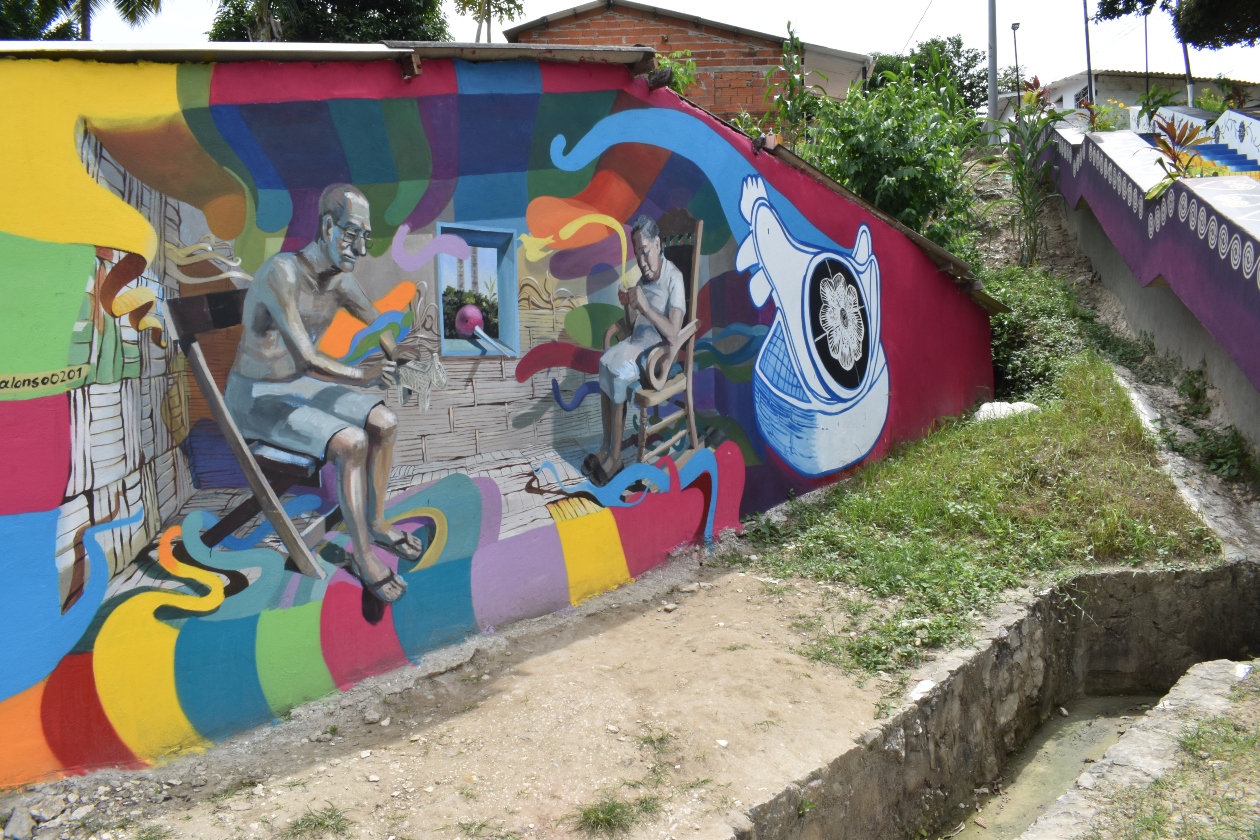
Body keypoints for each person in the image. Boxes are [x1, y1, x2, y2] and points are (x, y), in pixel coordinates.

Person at [225, 184, 421, 603]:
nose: (361, 248)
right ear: (328, 226)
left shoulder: (341, 281)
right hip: (256, 397)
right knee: (351, 442)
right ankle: (362, 555)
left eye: (367, 237)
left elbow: (377, 325)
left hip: (298, 387)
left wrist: (400, 356)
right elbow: (309, 357)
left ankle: (379, 522)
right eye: (353, 234)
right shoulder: (283, 272)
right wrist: (364, 374)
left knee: (384, 422)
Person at [584, 215, 686, 486]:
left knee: (615, 371)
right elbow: (631, 329)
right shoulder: (642, 281)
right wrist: (628, 307)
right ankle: (606, 447)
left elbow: (674, 332)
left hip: (657, 355)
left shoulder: (674, 279)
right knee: (605, 362)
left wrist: (647, 307)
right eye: (637, 254)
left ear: (658, 244)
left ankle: (616, 459)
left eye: (645, 252)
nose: (641, 261)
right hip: (636, 346)